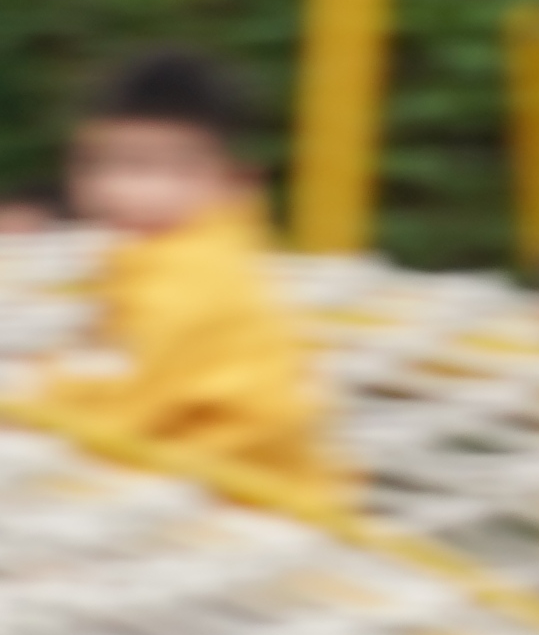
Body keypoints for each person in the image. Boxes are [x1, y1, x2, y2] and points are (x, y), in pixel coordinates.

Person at [11, 48, 350, 510]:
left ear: (231, 179)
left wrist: (34, 417)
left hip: (245, 497)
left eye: (149, 169)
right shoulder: (157, 255)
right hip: (204, 478)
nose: (116, 189)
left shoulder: (198, 276)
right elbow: (115, 366)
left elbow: (134, 402)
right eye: (99, 165)